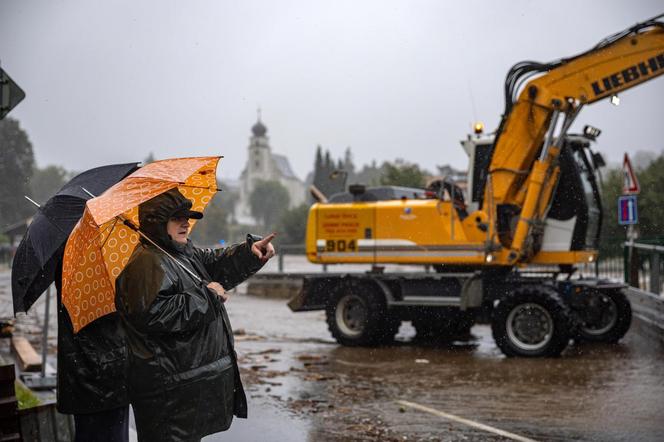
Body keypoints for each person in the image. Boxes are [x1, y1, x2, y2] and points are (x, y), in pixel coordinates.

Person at [114, 188, 275, 442]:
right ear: (158, 223)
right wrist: (207, 296)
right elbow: (152, 314)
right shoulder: (146, 263)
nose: (186, 222)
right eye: (177, 217)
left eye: (187, 216)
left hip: (183, 389)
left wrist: (249, 253)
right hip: (166, 395)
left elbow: (215, 263)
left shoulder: (180, 253)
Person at [54, 249, 130, 442]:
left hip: (79, 374)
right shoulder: (107, 264)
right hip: (109, 372)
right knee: (113, 434)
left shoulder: (68, 259)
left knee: (89, 433)